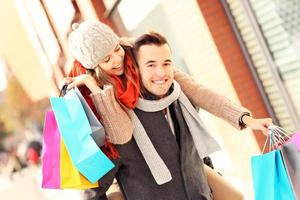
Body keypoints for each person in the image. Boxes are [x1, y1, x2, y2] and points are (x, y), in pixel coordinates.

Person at [65, 21, 272, 199]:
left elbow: (199, 92)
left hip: (193, 184)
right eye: (106, 59)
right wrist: (93, 87)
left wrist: (245, 118)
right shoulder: (96, 103)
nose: (117, 60)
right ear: (94, 67)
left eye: (116, 49)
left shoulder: (150, 67)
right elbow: (121, 134)